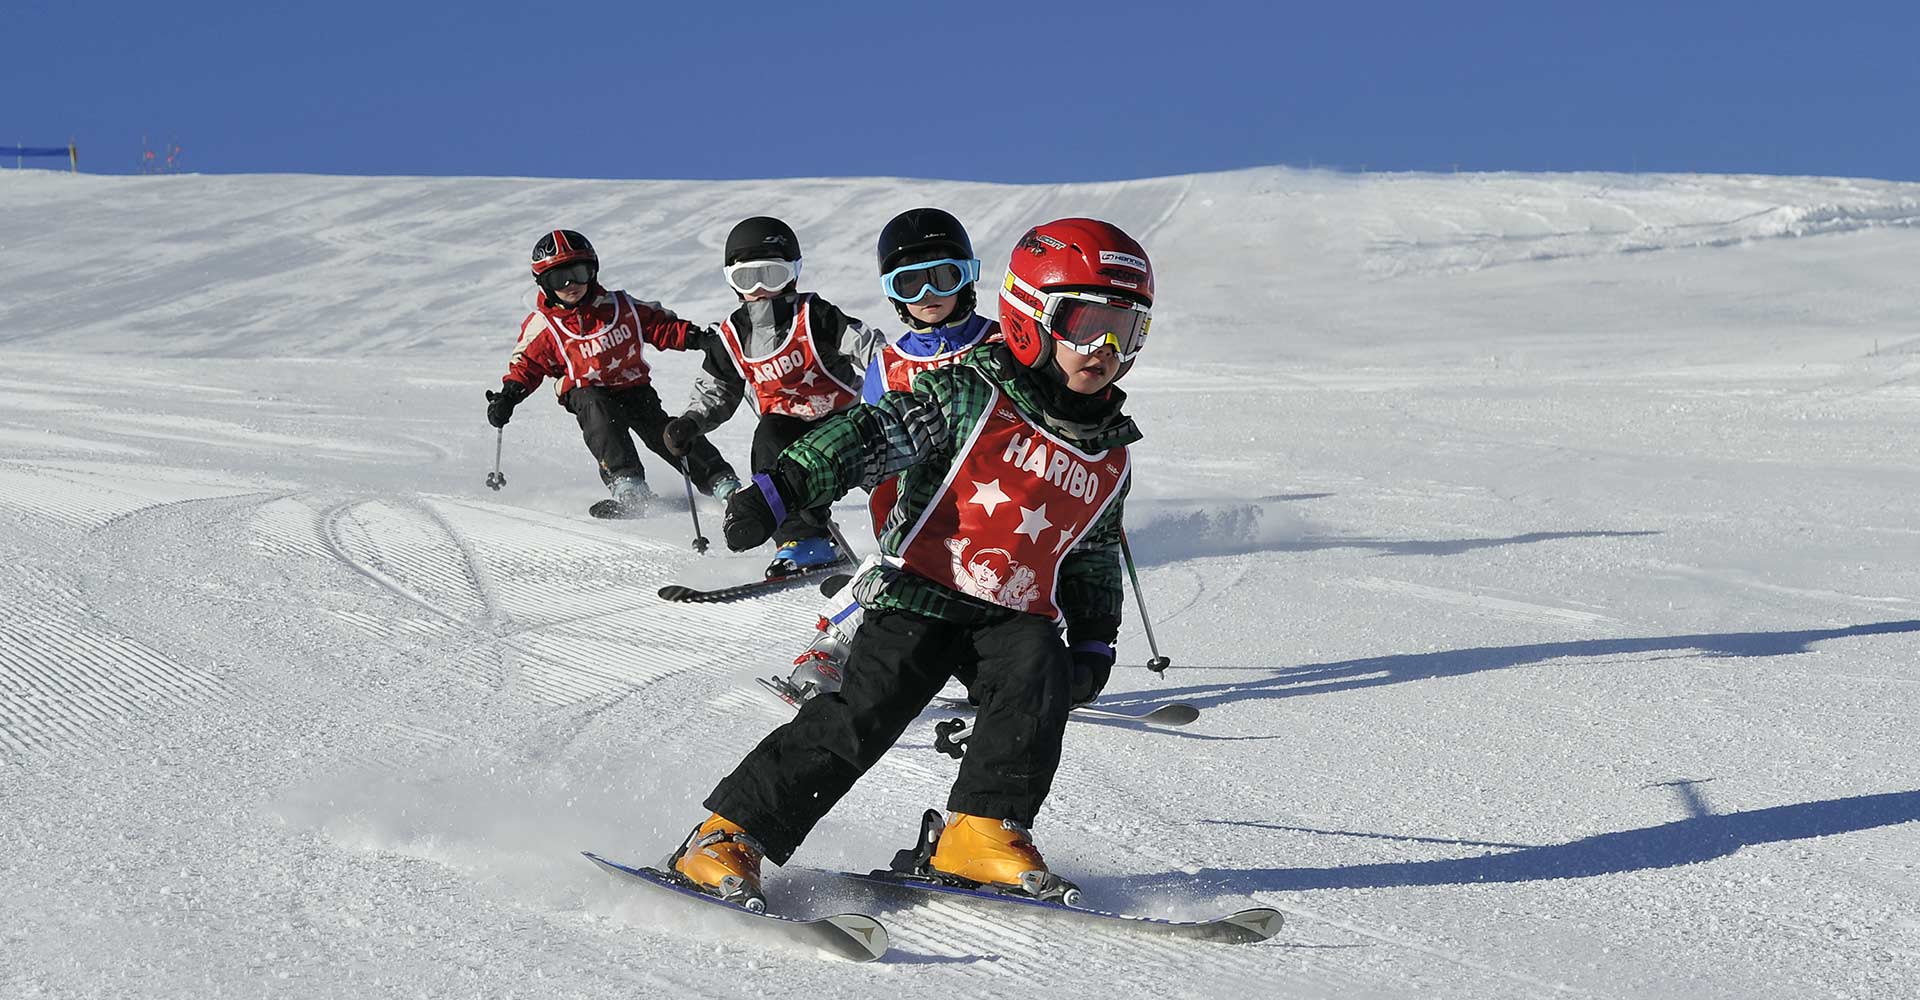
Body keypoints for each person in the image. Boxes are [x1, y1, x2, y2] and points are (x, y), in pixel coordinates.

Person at [664, 218, 1156, 908]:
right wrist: (787, 485)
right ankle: (726, 835)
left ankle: (979, 831)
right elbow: (871, 432)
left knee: (1037, 668)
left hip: (1013, 611)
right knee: (860, 716)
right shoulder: (969, 392)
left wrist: (1097, 639)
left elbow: (1093, 552)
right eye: (1085, 322)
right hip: (923, 590)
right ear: (1027, 316)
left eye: (1127, 329)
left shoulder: (1109, 454)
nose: (1104, 347)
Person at [773, 207, 1000, 703]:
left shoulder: (1002, 343)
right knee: (903, 571)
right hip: (917, 509)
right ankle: (834, 646)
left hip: (998, 499)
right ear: (893, 293)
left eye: (943, 278)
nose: (929, 296)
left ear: (968, 277)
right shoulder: (891, 363)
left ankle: (993, 668)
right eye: (909, 284)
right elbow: (869, 435)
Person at [660, 217, 884, 576]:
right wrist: (691, 421)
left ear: (793, 274)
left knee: (892, 465)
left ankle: (917, 536)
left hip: (844, 420)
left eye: (773, 275)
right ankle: (801, 540)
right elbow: (717, 388)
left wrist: (896, 379)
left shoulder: (816, 316)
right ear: (732, 281)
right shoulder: (732, 336)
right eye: (748, 278)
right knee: (768, 445)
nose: (761, 288)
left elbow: (869, 348)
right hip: (786, 427)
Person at [485, 230, 740, 518]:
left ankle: (722, 482)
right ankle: (628, 485)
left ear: (592, 272)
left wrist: (698, 338)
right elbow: (527, 366)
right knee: (599, 413)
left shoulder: (621, 307)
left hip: (633, 387)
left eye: (579, 273)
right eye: (559, 279)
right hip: (585, 391)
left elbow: (660, 326)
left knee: (665, 432)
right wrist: (508, 397)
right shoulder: (545, 326)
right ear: (544, 283)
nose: (571, 285)